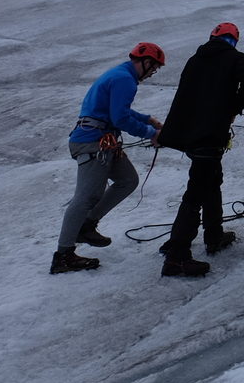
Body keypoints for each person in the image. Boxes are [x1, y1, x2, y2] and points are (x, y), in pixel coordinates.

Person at [50, 42, 166, 273]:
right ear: (145, 62)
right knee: (85, 197)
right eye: (154, 67)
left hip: (101, 141)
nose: (153, 72)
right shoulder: (125, 79)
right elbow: (120, 117)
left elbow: (117, 111)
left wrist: (146, 119)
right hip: (93, 143)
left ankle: (87, 225)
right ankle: (63, 255)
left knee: (127, 180)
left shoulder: (120, 74)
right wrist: (151, 133)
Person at [156, 23, 244, 278]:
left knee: (211, 179)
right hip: (210, 133)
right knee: (197, 190)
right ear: (233, 40)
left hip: (189, 134)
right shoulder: (234, 57)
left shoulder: (196, 58)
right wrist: (233, 108)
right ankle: (177, 256)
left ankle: (214, 235)